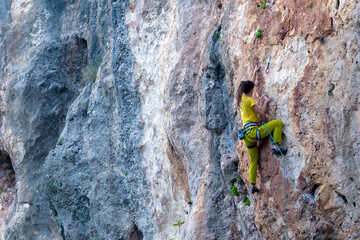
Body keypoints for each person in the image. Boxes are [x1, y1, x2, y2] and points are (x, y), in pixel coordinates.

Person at [237, 66, 287, 194]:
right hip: (254, 132)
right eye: (253, 88)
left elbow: (249, 87)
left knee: (254, 160)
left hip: (246, 136)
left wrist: (254, 73)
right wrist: (265, 101)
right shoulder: (249, 101)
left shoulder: (241, 99)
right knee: (277, 124)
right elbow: (262, 112)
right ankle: (276, 147)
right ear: (251, 90)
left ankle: (253, 185)